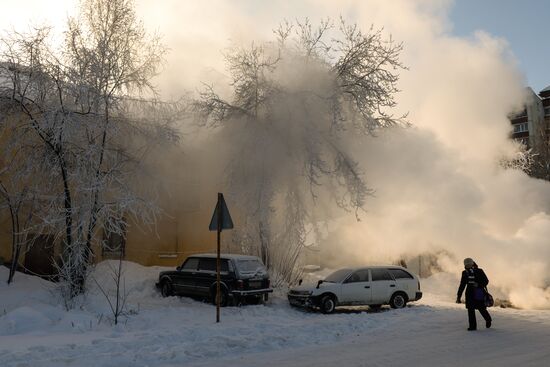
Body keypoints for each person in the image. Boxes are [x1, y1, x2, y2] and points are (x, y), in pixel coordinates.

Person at [456, 258, 492, 331]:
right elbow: (462, 285)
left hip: (477, 292)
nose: (468, 265)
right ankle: (473, 326)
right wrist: (458, 296)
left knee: (481, 308)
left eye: (469, 264)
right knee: (471, 310)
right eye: (467, 264)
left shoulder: (479, 271)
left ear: (472, 263)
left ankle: (487, 320)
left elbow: (486, 281)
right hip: (472, 293)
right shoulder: (465, 273)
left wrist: (478, 285)